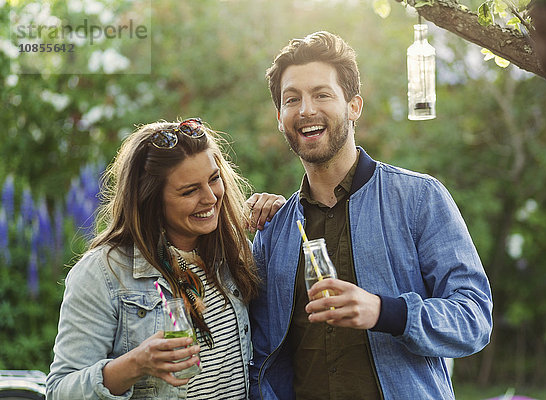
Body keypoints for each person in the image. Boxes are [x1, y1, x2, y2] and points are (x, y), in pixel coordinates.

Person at [249, 31, 493, 399]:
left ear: (354, 106)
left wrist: (386, 312)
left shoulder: (419, 198)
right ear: (279, 117)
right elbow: (257, 352)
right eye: (292, 99)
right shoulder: (273, 232)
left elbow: (473, 319)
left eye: (322, 94)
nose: (306, 110)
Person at [46, 118, 284, 399]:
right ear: (151, 199)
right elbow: (60, 391)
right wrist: (135, 364)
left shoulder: (234, 253)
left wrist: (284, 218)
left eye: (214, 178)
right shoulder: (103, 273)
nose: (210, 198)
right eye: (189, 191)